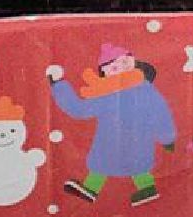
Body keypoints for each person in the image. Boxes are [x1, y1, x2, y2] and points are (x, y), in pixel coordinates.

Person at [45, 43, 178, 206]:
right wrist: (59, 86)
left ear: (132, 62)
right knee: (106, 163)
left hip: (133, 140)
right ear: (104, 73)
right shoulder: (105, 95)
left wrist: (166, 137)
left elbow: (160, 113)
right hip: (112, 141)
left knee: (130, 163)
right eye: (113, 67)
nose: (118, 69)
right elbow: (79, 109)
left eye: (123, 63)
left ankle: (145, 187)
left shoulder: (143, 89)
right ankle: (92, 189)